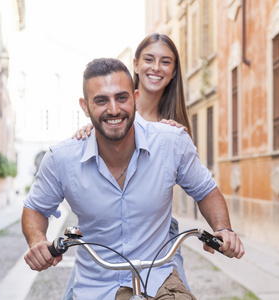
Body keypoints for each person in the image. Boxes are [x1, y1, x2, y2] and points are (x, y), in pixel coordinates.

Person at [22, 57, 244, 299]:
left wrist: (222, 229)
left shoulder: (172, 142)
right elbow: (35, 207)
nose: (114, 109)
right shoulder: (61, 159)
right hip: (95, 287)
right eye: (101, 101)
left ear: (135, 99)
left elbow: (206, 191)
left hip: (159, 279)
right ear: (85, 107)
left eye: (121, 97)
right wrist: (38, 242)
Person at [70, 33, 192, 295]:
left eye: (166, 62)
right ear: (136, 64)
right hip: (106, 231)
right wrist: (89, 130)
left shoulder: (173, 126)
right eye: (149, 59)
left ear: (174, 72)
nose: (156, 68)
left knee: (177, 288)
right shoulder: (114, 106)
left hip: (157, 231)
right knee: (81, 287)